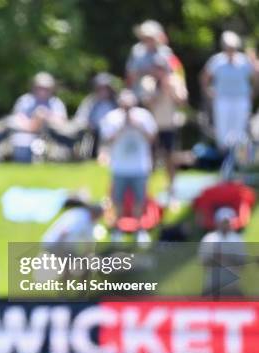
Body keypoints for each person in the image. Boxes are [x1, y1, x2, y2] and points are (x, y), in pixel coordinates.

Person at [100, 89, 157, 243]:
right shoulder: (112, 118)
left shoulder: (144, 116)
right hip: (119, 167)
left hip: (140, 167)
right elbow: (107, 139)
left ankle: (140, 229)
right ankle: (117, 229)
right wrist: (122, 126)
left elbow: (152, 138)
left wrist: (136, 125)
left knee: (140, 200)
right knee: (117, 200)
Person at [200, 31, 259, 152]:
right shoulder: (217, 60)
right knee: (222, 130)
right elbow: (204, 77)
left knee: (239, 130)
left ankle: (238, 159)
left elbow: (255, 77)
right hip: (222, 99)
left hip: (241, 99)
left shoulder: (244, 60)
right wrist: (208, 91)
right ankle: (224, 157)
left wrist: (253, 92)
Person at [140, 55, 188, 196]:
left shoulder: (174, 81)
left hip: (169, 124)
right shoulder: (148, 82)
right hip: (152, 127)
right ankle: (147, 187)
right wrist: (159, 91)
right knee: (150, 157)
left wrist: (170, 89)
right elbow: (147, 102)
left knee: (170, 157)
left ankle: (171, 186)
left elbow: (182, 101)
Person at [8, 71, 67, 162]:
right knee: (20, 140)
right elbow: (17, 120)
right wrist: (35, 122)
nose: (42, 91)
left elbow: (62, 123)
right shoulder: (25, 100)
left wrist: (46, 116)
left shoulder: (56, 103)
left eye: (46, 88)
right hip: (26, 134)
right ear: (34, 87)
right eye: (39, 88)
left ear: (52, 89)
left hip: (50, 138)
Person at [198, 207, 247, 297]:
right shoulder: (209, 238)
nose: (225, 225)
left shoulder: (237, 239)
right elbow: (204, 262)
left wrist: (226, 257)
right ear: (217, 222)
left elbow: (242, 263)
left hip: (232, 287)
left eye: (227, 222)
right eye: (223, 222)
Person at [72, 72, 118, 159]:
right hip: (93, 132)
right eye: (100, 88)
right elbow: (80, 117)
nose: (103, 91)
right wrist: (88, 124)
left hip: (111, 133)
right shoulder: (90, 101)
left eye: (105, 88)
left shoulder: (115, 102)